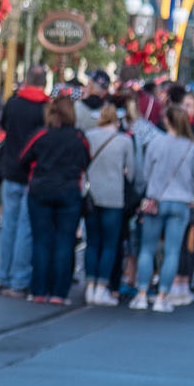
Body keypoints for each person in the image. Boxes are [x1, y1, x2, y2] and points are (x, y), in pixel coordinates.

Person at [133, 101, 194, 311]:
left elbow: (145, 173)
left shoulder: (156, 142)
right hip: (181, 201)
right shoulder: (193, 146)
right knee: (172, 251)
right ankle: (163, 296)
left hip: (155, 200)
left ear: (166, 121)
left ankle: (142, 293)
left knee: (147, 249)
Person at [19, 92, 88, 303]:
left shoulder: (41, 134)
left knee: (41, 241)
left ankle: (39, 290)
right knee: (65, 242)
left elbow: (23, 158)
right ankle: (59, 292)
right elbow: (86, 160)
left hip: (41, 190)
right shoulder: (78, 137)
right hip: (68, 191)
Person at [0, 66, 49, 298]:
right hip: (33, 173)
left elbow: (5, 129)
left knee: (9, 226)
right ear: (43, 83)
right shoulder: (45, 106)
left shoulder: (13, 103)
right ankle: (19, 280)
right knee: (26, 228)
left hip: (10, 170)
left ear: (26, 80)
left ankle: (4, 277)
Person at [81, 100, 136, 306]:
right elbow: (131, 171)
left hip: (91, 196)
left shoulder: (89, 136)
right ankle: (102, 288)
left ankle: (90, 286)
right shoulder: (124, 141)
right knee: (110, 244)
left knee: (92, 243)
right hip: (114, 197)